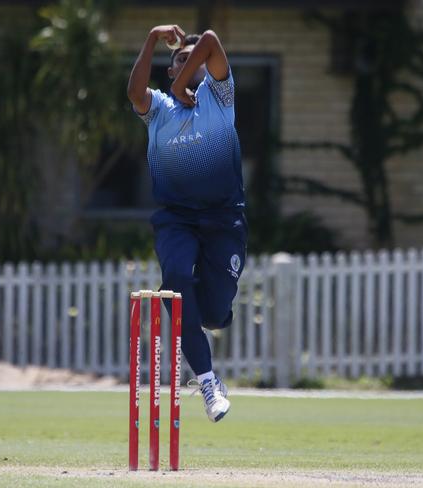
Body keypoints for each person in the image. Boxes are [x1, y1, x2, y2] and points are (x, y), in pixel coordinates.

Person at [127, 25, 246, 423]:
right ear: (168, 72)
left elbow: (211, 40)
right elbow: (134, 93)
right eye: (178, 60)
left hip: (223, 219)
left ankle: (201, 322)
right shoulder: (159, 109)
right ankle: (208, 382)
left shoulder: (220, 97)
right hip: (177, 218)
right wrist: (150, 39)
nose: (187, 63)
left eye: (191, 61)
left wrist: (183, 83)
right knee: (175, 280)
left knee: (211, 313)